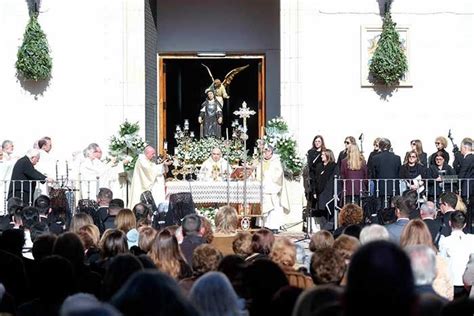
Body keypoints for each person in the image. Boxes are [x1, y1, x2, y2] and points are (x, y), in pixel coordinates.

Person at [438, 211, 474, 299]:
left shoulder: (444, 241)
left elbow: (442, 262)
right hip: (468, 283)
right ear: (465, 225)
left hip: (452, 282)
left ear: (450, 223)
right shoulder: (472, 239)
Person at [255, 145, 285, 230]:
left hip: (272, 188)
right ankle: (263, 225)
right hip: (263, 188)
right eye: (264, 151)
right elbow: (258, 174)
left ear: (271, 152)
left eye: (267, 151)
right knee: (263, 206)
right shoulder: (261, 162)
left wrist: (268, 175)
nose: (265, 153)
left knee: (273, 209)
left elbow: (279, 174)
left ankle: (273, 226)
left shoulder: (276, 161)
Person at [370, 138, 401, 207]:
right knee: (393, 208)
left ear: (380, 146)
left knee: (381, 208)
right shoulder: (397, 158)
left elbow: (373, 174)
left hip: (380, 187)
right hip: (393, 186)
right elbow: (399, 173)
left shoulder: (375, 158)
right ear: (389, 146)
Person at [312, 149, 337, 228]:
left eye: (323, 154)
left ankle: (329, 229)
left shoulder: (333, 166)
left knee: (329, 211)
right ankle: (323, 229)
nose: (321, 156)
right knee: (321, 211)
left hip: (329, 192)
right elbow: (315, 180)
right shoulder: (319, 166)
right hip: (320, 192)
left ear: (328, 155)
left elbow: (333, 179)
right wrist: (314, 191)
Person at [307, 135, 325, 210]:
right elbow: (310, 164)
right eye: (316, 141)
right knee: (313, 192)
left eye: (319, 141)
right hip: (313, 174)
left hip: (321, 174)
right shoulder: (311, 152)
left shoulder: (324, 152)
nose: (317, 143)